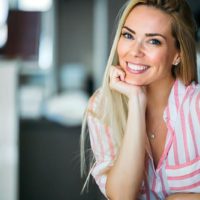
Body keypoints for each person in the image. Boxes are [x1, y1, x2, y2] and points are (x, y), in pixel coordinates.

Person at [81, 0, 200, 199]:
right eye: (128, 35)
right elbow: (121, 196)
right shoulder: (102, 106)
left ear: (177, 55)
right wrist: (136, 101)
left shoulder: (196, 108)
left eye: (153, 41)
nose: (135, 52)